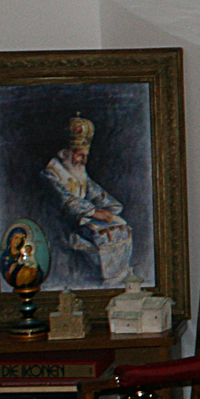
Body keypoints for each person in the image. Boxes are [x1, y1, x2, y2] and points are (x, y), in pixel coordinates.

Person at [41, 113, 133, 287]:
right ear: (64, 154)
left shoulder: (78, 171)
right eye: (79, 155)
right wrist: (94, 212)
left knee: (121, 229)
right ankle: (106, 281)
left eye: (85, 156)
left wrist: (111, 209)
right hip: (62, 230)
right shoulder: (50, 175)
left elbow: (95, 192)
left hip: (81, 223)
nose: (83, 160)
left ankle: (115, 280)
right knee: (100, 238)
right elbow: (65, 199)